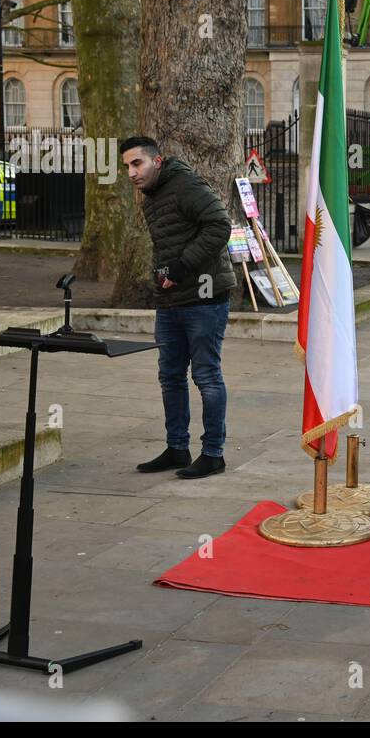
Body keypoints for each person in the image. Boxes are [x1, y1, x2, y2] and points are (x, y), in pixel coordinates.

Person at [123, 135, 237, 480]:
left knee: (205, 375)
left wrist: (181, 268)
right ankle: (177, 448)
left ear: (157, 161)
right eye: (126, 166)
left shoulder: (186, 184)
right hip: (170, 299)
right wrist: (161, 277)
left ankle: (213, 453)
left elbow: (220, 226)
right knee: (170, 376)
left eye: (137, 163)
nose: (131, 172)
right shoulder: (153, 196)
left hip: (204, 298)